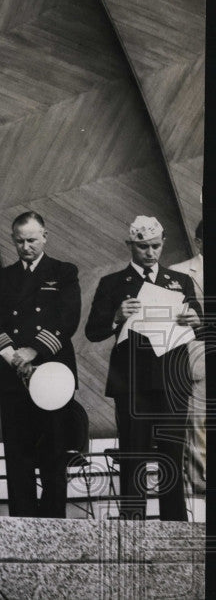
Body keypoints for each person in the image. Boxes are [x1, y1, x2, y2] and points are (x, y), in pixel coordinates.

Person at [85, 216, 200, 520]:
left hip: (172, 380)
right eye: (143, 247)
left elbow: (200, 326)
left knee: (172, 457)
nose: (150, 253)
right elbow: (93, 331)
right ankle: (132, 526)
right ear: (130, 246)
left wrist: (196, 320)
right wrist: (116, 316)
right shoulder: (112, 284)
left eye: (156, 246)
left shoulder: (181, 281)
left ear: (163, 244)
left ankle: (174, 524)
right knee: (133, 454)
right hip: (131, 382)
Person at [0, 211, 80, 518]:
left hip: (52, 374)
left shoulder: (64, 272)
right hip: (13, 374)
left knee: (54, 451)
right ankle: (22, 523)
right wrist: (14, 356)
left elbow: (68, 320)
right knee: (17, 455)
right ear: (13, 240)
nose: (26, 247)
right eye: (20, 241)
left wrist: (33, 351)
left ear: (45, 236)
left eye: (32, 240)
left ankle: (54, 522)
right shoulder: (0, 278)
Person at [169, 220, 204, 495]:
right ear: (200, 241)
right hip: (197, 359)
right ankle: (203, 501)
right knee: (199, 433)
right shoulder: (177, 274)